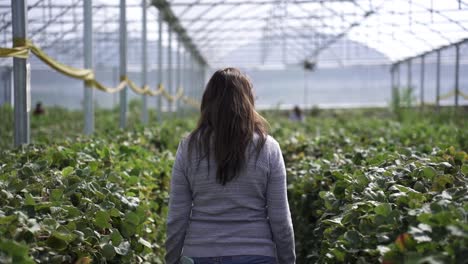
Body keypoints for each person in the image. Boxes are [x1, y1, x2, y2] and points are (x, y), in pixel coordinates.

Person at [165, 68, 296, 264]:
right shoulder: (268, 148)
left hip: (200, 254)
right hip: (257, 254)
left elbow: (177, 216)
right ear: (248, 101)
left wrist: (172, 259)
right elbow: (280, 218)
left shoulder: (189, 147)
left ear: (207, 101)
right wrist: (288, 260)